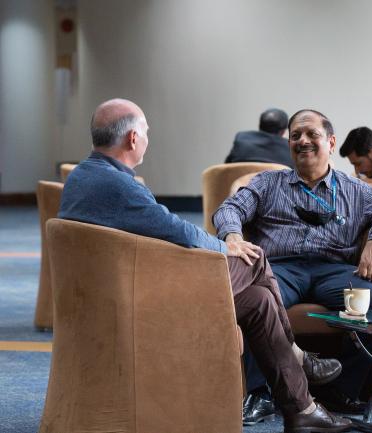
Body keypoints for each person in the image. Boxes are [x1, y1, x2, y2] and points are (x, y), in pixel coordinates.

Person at [58, 98, 351, 433]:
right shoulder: (116, 184)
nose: (148, 140)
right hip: (142, 303)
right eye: (147, 133)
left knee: (258, 301)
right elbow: (177, 229)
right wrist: (229, 246)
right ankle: (297, 356)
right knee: (255, 258)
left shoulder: (84, 175)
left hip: (121, 292)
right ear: (133, 139)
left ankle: (302, 411)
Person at [214, 109, 372, 415]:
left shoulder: (354, 190)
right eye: (295, 135)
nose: (302, 141)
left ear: (330, 142)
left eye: (311, 134)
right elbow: (229, 210)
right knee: (252, 299)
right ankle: (261, 392)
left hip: (334, 271)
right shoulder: (267, 183)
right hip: (280, 269)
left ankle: (338, 390)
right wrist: (233, 235)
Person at [225, 108, 295, 168]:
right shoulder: (290, 148)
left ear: (259, 125)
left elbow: (225, 167)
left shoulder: (241, 138)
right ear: (283, 131)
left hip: (239, 183)